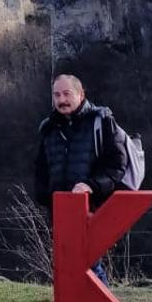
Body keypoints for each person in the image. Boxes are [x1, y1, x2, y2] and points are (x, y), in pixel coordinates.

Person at [34, 73, 130, 291]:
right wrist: (45, 196)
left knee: (88, 263)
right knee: (74, 265)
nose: (61, 100)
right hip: (60, 210)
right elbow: (41, 168)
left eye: (67, 93)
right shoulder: (48, 128)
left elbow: (117, 165)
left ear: (81, 94)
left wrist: (92, 186)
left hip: (93, 207)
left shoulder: (102, 121)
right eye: (56, 95)